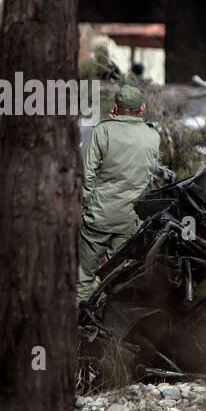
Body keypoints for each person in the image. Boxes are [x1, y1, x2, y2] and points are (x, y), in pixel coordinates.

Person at [78, 85, 161, 303]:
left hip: (98, 216)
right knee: (122, 278)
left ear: (115, 107)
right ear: (142, 108)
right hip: (131, 219)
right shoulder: (153, 137)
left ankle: (77, 326)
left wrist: (84, 209)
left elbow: (85, 175)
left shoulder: (101, 132)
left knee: (83, 278)